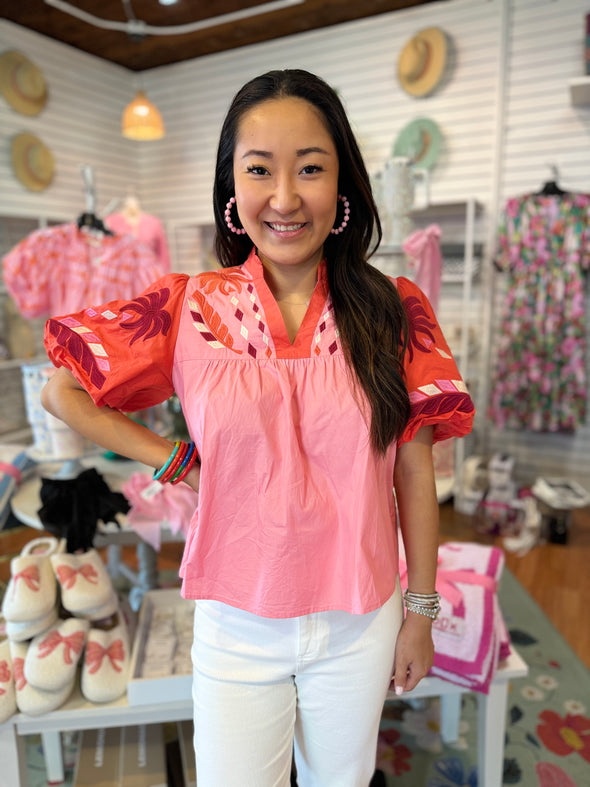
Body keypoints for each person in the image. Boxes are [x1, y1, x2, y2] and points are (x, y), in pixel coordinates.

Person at [42, 69, 475, 786]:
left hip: (360, 617)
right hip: (237, 620)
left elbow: (414, 469)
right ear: (231, 190)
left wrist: (420, 611)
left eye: (310, 167)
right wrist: (177, 456)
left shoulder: (395, 308)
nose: (284, 197)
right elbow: (64, 390)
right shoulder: (187, 307)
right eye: (259, 169)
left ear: (342, 184)